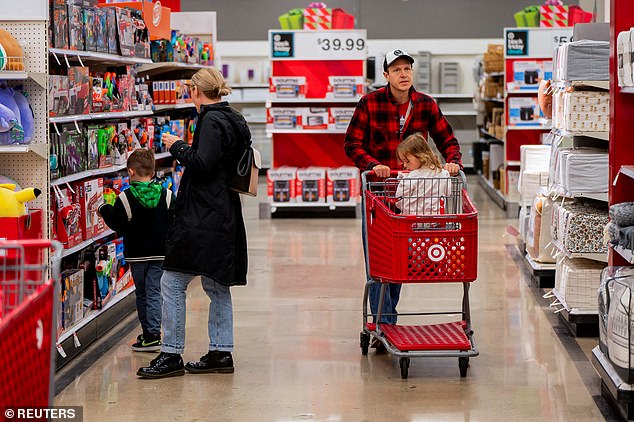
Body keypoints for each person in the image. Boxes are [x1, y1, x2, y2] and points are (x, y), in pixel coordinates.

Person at [136, 68, 251, 379]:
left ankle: (171, 353)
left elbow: (202, 164)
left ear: (197, 92)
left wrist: (176, 145)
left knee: (171, 282)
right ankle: (220, 352)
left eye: (191, 90)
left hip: (203, 215)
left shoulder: (212, 120)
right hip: (221, 211)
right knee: (216, 284)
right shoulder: (233, 117)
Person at [344, 48, 463, 334]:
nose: (403, 74)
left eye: (407, 68)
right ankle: (385, 323)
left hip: (415, 196)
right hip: (379, 195)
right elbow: (352, 144)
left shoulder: (425, 104)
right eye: (396, 70)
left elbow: (448, 139)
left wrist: (453, 162)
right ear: (385, 75)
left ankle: (385, 319)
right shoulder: (369, 104)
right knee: (379, 260)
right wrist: (373, 165)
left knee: (400, 260)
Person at [98, 149, 173, 352]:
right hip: (160, 253)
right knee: (155, 293)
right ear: (153, 171)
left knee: (142, 294)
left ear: (130, 172)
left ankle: (150, 335)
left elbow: (117, 224)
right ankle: (152, 332)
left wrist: (104, 209)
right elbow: (175, 222)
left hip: (137, 255)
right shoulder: (167, 194)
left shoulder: (125, 197)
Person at [395, 132, 450, 216]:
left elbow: (399, 198)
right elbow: (447, 192)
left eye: (407, 161)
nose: (405, 165)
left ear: (420, 155)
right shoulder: (442, 174)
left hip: (411, 221)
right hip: (436, 220)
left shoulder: (410, 177)